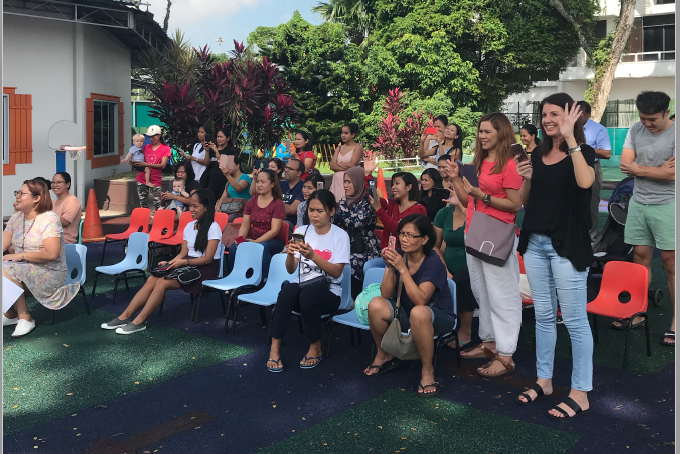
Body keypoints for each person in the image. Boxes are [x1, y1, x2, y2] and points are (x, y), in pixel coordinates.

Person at [515, 93, 596, 419]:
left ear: (570, 116)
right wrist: (526, 179)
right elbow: (526, 203)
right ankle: (544, 380)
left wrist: (571, 140)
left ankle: (581, 392)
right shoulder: (537, 154)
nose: (548, 120)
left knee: (575, 321)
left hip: (567, 246)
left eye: (555, 114)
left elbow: (585, 181)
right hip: (535, 244)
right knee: (545, 318)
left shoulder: (584, 151)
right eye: (544, 115)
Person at [446, 112, 522, 378]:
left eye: (488, 131)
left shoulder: (510, 164)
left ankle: (506, 354)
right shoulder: (478, 162)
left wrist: (485, 196)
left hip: (496, 235)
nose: (482, 136)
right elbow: (469, 202)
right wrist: (456, 178)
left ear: (502, 132)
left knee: (502, 294)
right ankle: (489, 342)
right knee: (482, 292)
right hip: (474, 231)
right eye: (480, 131)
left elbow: (515, 205)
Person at [101, 189, 222, 334]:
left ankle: (139, 322)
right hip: (190, 265)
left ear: (206, 207)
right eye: (190, 206)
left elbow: (208, 258)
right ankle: (124, 316)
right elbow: (183, 254)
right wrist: (169, 263)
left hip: (205, 269)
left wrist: (182, 263)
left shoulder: (213, 228)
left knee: (162, 282)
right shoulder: (190, 226)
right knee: (153, 278)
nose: (191, 209)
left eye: (195, 206)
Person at [363, 214, 456, 397]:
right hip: (407, 312)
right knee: (376, 304)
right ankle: (383, 354)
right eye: (402, 234)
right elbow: (386, 294)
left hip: (438, 316)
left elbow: (421, 300)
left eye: (410, 235)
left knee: (419, 312)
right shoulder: (399, 255)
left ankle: (427, 371)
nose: (404, 239)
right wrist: (390, 267)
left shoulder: (433, 261)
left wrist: (403, 269)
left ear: (424, 239)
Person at [267, 190, 350, 372]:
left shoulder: (340, 236)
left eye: (319, 211)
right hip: (304, 288)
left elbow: (336, 273)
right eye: (311, 210)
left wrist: (313, 256)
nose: (314, 215)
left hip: (329, 293)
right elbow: (291, 269)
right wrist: (290, 254)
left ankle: (315, 346)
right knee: (288, 290)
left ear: (331, 211)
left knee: (307, 296)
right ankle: (274, 348)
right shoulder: (302, 230)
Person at [618, 91, 675, 346]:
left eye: (652, 119)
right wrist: (658, 171)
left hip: (669, 204)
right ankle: (638, 312)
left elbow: (673, 176)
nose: (647, 123)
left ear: (666, 113)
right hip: (639, 203)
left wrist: (639, 169)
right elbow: (625, 164)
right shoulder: (635, 129)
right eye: (643, 118)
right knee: (640, 258)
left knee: (671, 264)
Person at [3, 179, 79, 337]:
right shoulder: (16, 219)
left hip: (50, 272)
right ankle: (10, 314)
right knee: (8, 267)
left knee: (6, 268)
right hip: (23, 268)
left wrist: (19, 255)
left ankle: (25, 317)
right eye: (17, 192)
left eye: (22, 193)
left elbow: (52, 254)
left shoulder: (49, 219)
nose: (17, 196)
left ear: (36, 198)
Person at [434, 186, 476, 348]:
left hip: (473, 265)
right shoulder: (443, 214)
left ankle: (465, 331)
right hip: (447, 265)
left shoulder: (476, 213)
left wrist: (462, 206)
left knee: (461, 280)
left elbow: (480, 233)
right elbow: (435, 246)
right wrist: (445, 271)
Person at [334, 166, 381, 298]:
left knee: (350, 261)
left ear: (359, 182)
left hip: (368, 250)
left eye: (350, 182)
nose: (346, 185)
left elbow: (356, 222)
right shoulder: (343, 202)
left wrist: (339, 211)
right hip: (348, 246)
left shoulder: (368, 203)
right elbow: (333, 223)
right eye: (345, 181)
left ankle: (353, 298)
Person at [229, 169, 286, 277]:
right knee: (234, 247)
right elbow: (245, 225)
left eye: (263, 182)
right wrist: (240, 238)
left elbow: (275, 230)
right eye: (258, 181)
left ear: (272, 184)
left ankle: (264, 280)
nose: (259, 185)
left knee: (263, 247)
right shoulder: (252, 201)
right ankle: (234, 276)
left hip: (274, 241)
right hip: (254, 239)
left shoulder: (278, 204)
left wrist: (256, 242)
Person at [577, 101, 612, 243]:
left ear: (588, 114)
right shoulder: (568, 129)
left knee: (591, 203)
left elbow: (606, 153)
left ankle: (591, 237)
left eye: (580, 114)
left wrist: (582, 148)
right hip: (570, 167)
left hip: (592, 166)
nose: (577, 117)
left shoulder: (598, 129)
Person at [369, 172, 427, 250]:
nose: (393, 187)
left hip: (405, 253)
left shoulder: (418, 209)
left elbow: (398, 230)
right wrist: (368, 174)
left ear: (409, 187)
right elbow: (372, 197)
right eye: (393, 184)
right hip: (386, 251)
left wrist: (379, 209)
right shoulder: (393, 204)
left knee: (370, 263)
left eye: (397, 183)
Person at [130, 125, 171, 213]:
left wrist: (146, 164)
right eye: (149, 137)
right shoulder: (146, 147)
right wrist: (134, 162)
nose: (151, 138)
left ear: (159, 135)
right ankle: (145, 224)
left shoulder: (165, 148)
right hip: (141, 178)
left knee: (158, 204)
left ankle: (159, 223)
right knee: (143, 205)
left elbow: (163, 165)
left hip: (155, 180)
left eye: (153, 136)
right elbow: (139, 160)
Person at [329, 123, 363, 203]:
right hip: (336, 182)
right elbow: (332, 166)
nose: (343, 135)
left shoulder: (357, 147)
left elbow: (352, 165)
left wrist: (339, 164)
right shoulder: (339, 148)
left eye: (346, 133)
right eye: (342, 133)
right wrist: (346, 165)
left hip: (348, 181)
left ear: (353, 135)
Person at [200, 127, 234, 204]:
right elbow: (206, 163)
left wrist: (216, 151)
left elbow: (224, 166)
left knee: (221, 205)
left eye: (221, 137)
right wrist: (207, 151)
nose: (219, 139)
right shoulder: (212, 149)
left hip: (223, 182)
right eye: (218, 137)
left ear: (227, 138)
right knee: (210, 205)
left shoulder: (231, 151)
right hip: (211, 182)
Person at [216, 154, 252, 221]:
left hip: (243, 209)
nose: (228, 166)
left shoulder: (245, 177)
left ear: (238, 166)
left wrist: (227, 175)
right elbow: (223, 197)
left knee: (230, 218)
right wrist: (218, 207)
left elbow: (238, 188)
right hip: (231, 209)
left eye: (230, 164)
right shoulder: (229, 181)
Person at [50, 172, 82, 244]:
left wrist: (45, 217)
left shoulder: (72, 200)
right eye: (53, 182)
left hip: (65, 241)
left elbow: (65, 222)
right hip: (51, 237)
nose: (55, 185)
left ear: (68, 184)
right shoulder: (52, 202)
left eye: (59, 182)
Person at [279, 158, 305, 231]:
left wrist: (275, 207)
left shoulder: (304, 187)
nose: (286, 170)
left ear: (298, 173)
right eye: (286, 167)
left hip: (291, 224)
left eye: (290, 168)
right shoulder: (280, 184)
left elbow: (291, 210)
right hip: (275, 219)